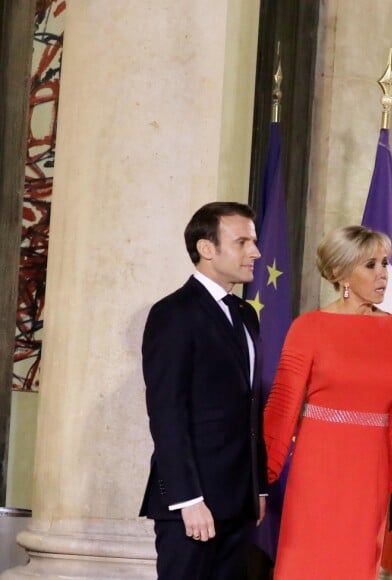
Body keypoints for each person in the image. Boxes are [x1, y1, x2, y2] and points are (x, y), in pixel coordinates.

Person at [263, 225, 392, 580]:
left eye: (385, 263)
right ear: (341, 274)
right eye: (371, 265)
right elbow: (281, 409)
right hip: (317, 475)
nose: (383, 273)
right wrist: (260, 481)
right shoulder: (309, 327)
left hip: (370, 478)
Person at [139, 201, 268, 580]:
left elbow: (251, 408)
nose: (256, 252)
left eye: (255, 241)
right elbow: (166, 413)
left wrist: (256, 488)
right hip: (191, 504)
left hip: (239, 500)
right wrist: (188, 499)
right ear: (206, 249)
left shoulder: (247, 314)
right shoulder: (173, 313)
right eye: (243, 241)